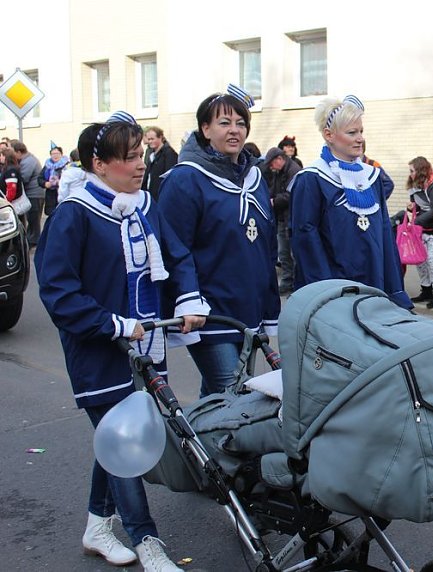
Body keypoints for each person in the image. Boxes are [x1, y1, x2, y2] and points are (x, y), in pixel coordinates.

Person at [35, 111, 209, 572]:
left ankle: (97, 526)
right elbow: (57, 290)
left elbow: (177, 255)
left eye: (142, 155)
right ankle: (147, 542)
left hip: (146, 346)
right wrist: (112, 324)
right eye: (129, 158)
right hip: (99, 349)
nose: (139, 165)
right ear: (99, 164)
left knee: (115, 441)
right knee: (124, 442)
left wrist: (188, 301)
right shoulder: (73, 214)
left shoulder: (145, 205)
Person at [158, 84, 280, 397]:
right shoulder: (185, 178)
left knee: (218, 398)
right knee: (233, 396)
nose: (234, 130)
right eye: (224, 123)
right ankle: (207, 445)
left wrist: (269, 302)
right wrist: (188, 297)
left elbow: (265, 245)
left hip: (247, 307)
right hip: (210, 312)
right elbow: (175, 247)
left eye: (241, 123)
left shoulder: (254, 176)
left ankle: (195, 445)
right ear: (205, 128)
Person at [289, 95, 411, 309]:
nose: (360, 138)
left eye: (361, 131)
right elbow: (306, 239)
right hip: (336, 290)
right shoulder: (312, 178)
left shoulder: (372, 176)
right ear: (329, 135)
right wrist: (326, 293)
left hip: (374, 285)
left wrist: (394, 289)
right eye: (352, 132)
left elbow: (384, 233)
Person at [261, 147, 301, 294]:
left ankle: (296, 285)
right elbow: (274, 190)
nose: (271, 167)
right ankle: (287, 283)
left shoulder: (294, 171)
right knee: (284, 253)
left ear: (279, 159)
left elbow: (291, 195)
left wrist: (273, 201)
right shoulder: (280, 172)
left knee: (292, 254)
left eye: (272, 164)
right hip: (283, 218)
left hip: (291, 218)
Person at [405, 156, 433, 305]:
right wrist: (412, 208)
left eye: (412, 171)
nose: (410, 174)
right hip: (420, 230)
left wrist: (416, 221)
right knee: (420, 262)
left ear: (421, 171)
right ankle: (426, 290)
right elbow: (418, 207)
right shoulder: (415, 187)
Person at [10, 140, 43, 247]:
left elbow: (24, 178)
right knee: (32, 220)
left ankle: (34, 241)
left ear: (19, 152)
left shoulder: (28, 161)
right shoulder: (27, 160)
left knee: (34, 221)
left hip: (34, 195)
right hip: (32, 194)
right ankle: (32, 240)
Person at [141, 126, 178, 201]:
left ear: (160, 137)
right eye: (149, 139)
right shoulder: (150, 153)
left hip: (161, 195)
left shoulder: (169, 153)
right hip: (150, 194)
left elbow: (170, 176)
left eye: (152, 139)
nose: (150, 142)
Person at [38, 143, 69, 216]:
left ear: (61, 154)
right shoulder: (47, 166)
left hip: (63, 194)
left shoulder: (67, 165)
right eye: (53, 154)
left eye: (57, 153)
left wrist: (60, 183)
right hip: (50, 196)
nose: (55, 155)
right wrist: (45, 183)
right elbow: (40, 178)